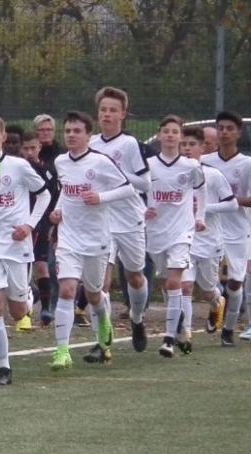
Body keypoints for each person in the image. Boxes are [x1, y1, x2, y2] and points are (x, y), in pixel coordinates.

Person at [48, 111, 136, 370]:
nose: (71, 135)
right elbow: (65, 191)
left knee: (94, 294)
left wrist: (101, 197)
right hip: (69, 237)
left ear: (89, 135)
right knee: (67, 290)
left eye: (77, 131)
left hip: (97, 239)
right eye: (68, 131)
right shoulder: (61, 162)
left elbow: (128, 189)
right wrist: (57, 210)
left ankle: (104, 322)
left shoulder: (101, 162)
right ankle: (62, 352)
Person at [0, 114, 50, 385]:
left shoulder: (18, 166)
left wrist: (29, 225)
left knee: (18, 311)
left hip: (16, 245)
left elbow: (44, 194)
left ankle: (29, 296)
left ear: (3, 137)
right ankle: (4, 369)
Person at [88, 87, 152, 356]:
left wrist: (116, 172)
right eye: (103, 109)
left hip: (129, 220)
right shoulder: (91, 143)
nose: (107, 114)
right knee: (99, 284)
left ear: (123, 115)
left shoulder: (129, 144)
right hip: (102, 221)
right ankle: (102, 342)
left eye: (113, 110)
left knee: (134, 276)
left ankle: (137, 319)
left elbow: (145, 183)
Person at [144, 115, 207, 357]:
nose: (170, 135)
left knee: (174, 282)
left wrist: (200, 217)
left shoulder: (190, 166)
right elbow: (136, 192)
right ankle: (179, 324)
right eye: (166, 131)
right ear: (160, 135)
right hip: (156, 232)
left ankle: (169, 339)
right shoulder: (149, 165)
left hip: (182, 231)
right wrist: (143, 209)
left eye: (175, 131)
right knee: (168, 283)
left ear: (180, 137)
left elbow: (201, 190)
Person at [200, 111, 251, 345]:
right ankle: (215, 304)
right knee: (206, 282)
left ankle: (228, 331)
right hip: (211, 229)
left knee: (235, 282)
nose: (224, 132)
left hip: (238, 230)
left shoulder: (247, 164)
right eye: (221, 128)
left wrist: (229, 200)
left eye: (230, 128)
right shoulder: (205, 162)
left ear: (238, 133)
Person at [179, 126, 234, 337]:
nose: (187, 148)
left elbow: (231, 204)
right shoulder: (175, 175)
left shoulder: (213, 175)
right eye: (183, 144)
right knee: (185, 286)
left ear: (202, 148)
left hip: (209, 241)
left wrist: (203, 208)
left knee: (208, 290)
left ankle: (217, 302)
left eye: (192, 144)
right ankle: (185, 333)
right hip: (183, 240)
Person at [21, 129, 58, 327]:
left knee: (41, 266)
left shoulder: (49, 172)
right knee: (23, 269)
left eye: (33, 148)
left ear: (40, 147)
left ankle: (45, 309)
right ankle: (25, 310)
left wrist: (52, 224)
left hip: (41, 224)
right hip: (21, 225)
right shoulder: (18, 168)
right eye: (26, 148)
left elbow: (54, 198)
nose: (29, 152)